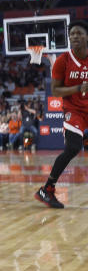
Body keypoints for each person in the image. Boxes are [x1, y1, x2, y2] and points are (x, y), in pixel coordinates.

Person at [36, 21, 88, 208]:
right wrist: (78, 87)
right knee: (74, 147)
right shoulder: (62, 61)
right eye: (71, 34)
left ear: (87, 36)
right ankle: (47, 188)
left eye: (78, 33)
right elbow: (56, 91)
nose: (74, 36)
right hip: (74, 109)